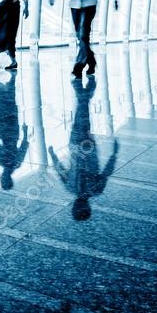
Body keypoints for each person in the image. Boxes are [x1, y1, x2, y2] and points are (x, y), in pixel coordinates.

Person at [48, 76, 119, 221]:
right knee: (82, 117)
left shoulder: (74, 188)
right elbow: (106, 172)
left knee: (82, 117)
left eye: (75, 209)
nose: (76, 206)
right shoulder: (94, 189)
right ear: (87, 208)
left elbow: (60, 170)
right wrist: (114, 155)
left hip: (78, 145)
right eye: (79, 209)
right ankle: (81, 88)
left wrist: (53, 156)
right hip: (84, 147)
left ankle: (86, 89)